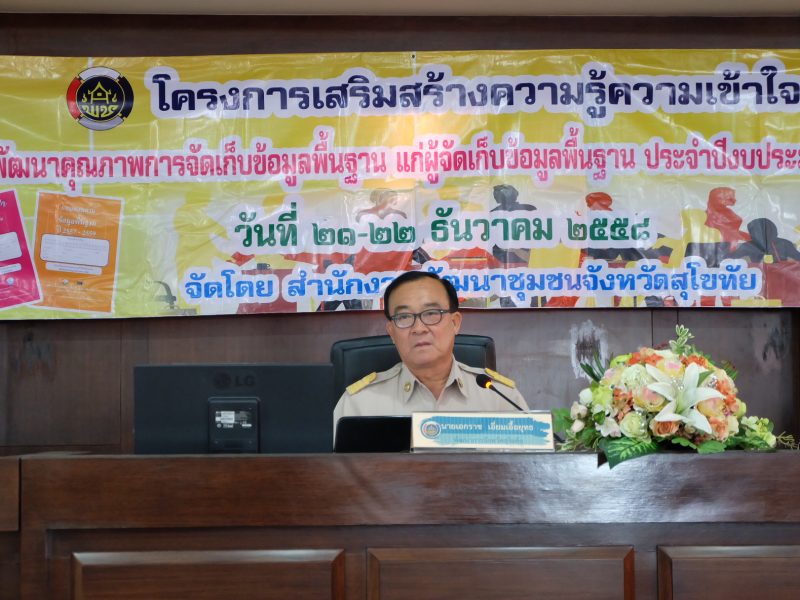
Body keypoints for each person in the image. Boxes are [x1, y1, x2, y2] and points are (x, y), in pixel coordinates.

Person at [332, 271, 529, 428]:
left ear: (455, 323)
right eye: (404, 317)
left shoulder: (500, 398)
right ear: (391, 332)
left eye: (431, 313)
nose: (419, 328)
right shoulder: (359, 404)